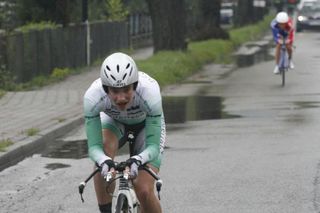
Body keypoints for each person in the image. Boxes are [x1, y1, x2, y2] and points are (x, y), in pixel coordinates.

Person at [83, 52, 166, 213]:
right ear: (105, 89)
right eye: (114, 91)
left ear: (135, 85)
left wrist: (138, 159)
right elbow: (94, 148)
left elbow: (153, 148)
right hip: (114, 121)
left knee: (143, 189)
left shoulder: (150, 92)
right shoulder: (92, 97)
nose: (121, 98)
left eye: (126, 89)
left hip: (145, 125)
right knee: (103, 154)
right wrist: (104, 161)